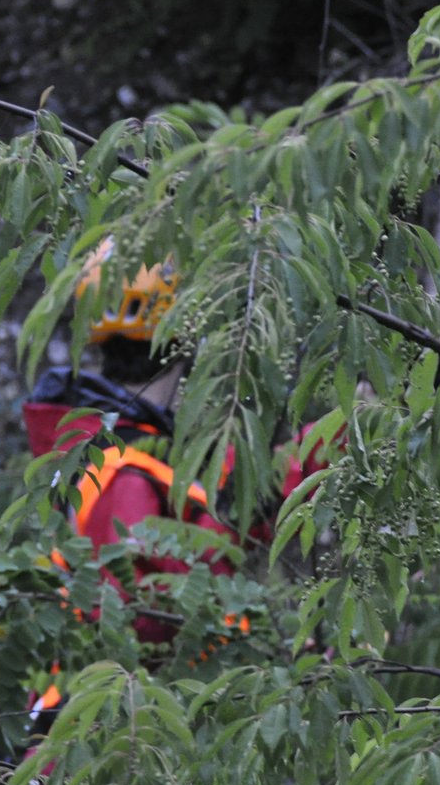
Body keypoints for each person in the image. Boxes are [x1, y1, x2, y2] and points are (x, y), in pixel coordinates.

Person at [19, 239, 327, 732]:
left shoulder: (112, 446)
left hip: (103, 723)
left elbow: (246, 484)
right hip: (102, 735)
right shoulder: (124, 469)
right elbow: (142, 617)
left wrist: (344, 437)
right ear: (187, 338)